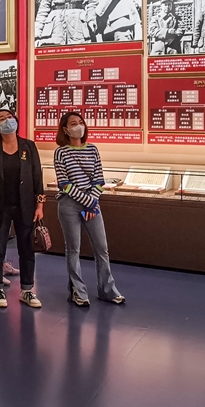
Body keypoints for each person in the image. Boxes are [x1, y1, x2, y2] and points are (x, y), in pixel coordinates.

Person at [53, 112, 124, 307]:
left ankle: (107, 290)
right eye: (73, 123)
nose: (78, 126)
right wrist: (88, 203)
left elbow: (99, 180)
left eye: (80, 122)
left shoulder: (92, 149)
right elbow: (64, 184)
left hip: (92, 202)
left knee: (102, 248)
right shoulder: (61, 152)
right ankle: (78, 291)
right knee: (73, 249)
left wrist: (92, 202)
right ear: (65, 129)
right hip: (70, 203)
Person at [0, 109, 44, 309]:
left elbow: (37, 175)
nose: (7, 121)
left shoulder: (28, 146)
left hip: (25, 205)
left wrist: (40, 204)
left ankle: (27, 290)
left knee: (26, 248)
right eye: (2, 119)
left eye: (9, 117)